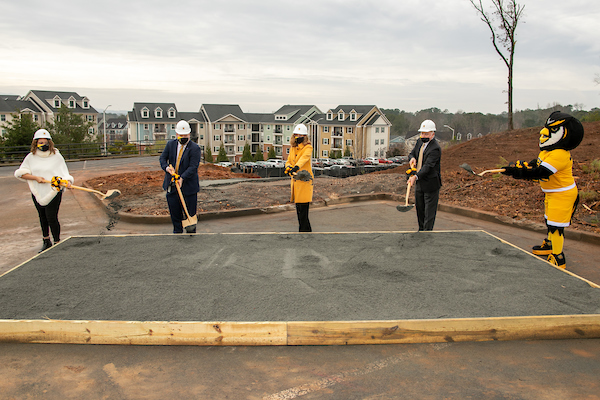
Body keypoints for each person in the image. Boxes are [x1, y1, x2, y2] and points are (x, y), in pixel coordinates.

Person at [501, 111, 584, 269]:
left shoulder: (559, 155)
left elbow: (540, 173)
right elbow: (535, 165)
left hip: (563, 195)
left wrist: (517, 173)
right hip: (552, 193)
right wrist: (521, 166)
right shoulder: (547, 152)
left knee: (556, 226)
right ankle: (550, 245)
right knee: (549, 221)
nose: (543, 132)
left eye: (552, 130)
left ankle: (558, 256)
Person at [14, 129, 73, 252]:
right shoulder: (31, 157)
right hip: (38, 191)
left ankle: (57, 242)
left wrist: (67, 181)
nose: (43, 145)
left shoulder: (56, 156)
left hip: (54, 190)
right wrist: (35, 178)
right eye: (40, 142)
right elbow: (21, 174)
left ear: (49, 142)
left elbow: (64, 173)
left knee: (51, 216)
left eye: (45, 142)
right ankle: (46, 241)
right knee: (42, 217)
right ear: (35, 143)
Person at [159, 120, 201, 233]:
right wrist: (167, 168)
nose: (183, 137)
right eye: (181, 135)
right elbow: (162, 159)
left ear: (189, 134)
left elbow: (193, 167)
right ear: (177, 134)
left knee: (189, 215)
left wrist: (182, 178)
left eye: (185, 135)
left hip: (188, 188)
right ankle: (177, 237)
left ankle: (191, 238)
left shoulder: (195, 148)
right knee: (175, 216)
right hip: (172, 186)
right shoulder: (170, 145)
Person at [407, 119, 442, 231]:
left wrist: (415, 177)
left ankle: (427, 234)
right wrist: (412, 158)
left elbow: (428, 167)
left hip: (430, 184)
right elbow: (412, 153)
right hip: (420, 183)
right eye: (422, 133)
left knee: (429, 213)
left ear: (432, 134)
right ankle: (421, 231)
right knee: (420, 209)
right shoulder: (419, 142)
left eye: (426, 133)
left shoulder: (435, 148)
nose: (423, 135)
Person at [284, 124, 314, 232]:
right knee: (299, 210)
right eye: (296, 134)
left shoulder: (308, 147)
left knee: (303, 210)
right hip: (296, 181)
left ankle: (305, 232)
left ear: (305, 136)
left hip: (304, 180)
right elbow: (289, 160)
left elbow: (304, 159)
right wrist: (288, 167)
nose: (298, 136)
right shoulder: (293, 148)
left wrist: (296, 167)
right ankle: (303, 231)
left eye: (301, 134)